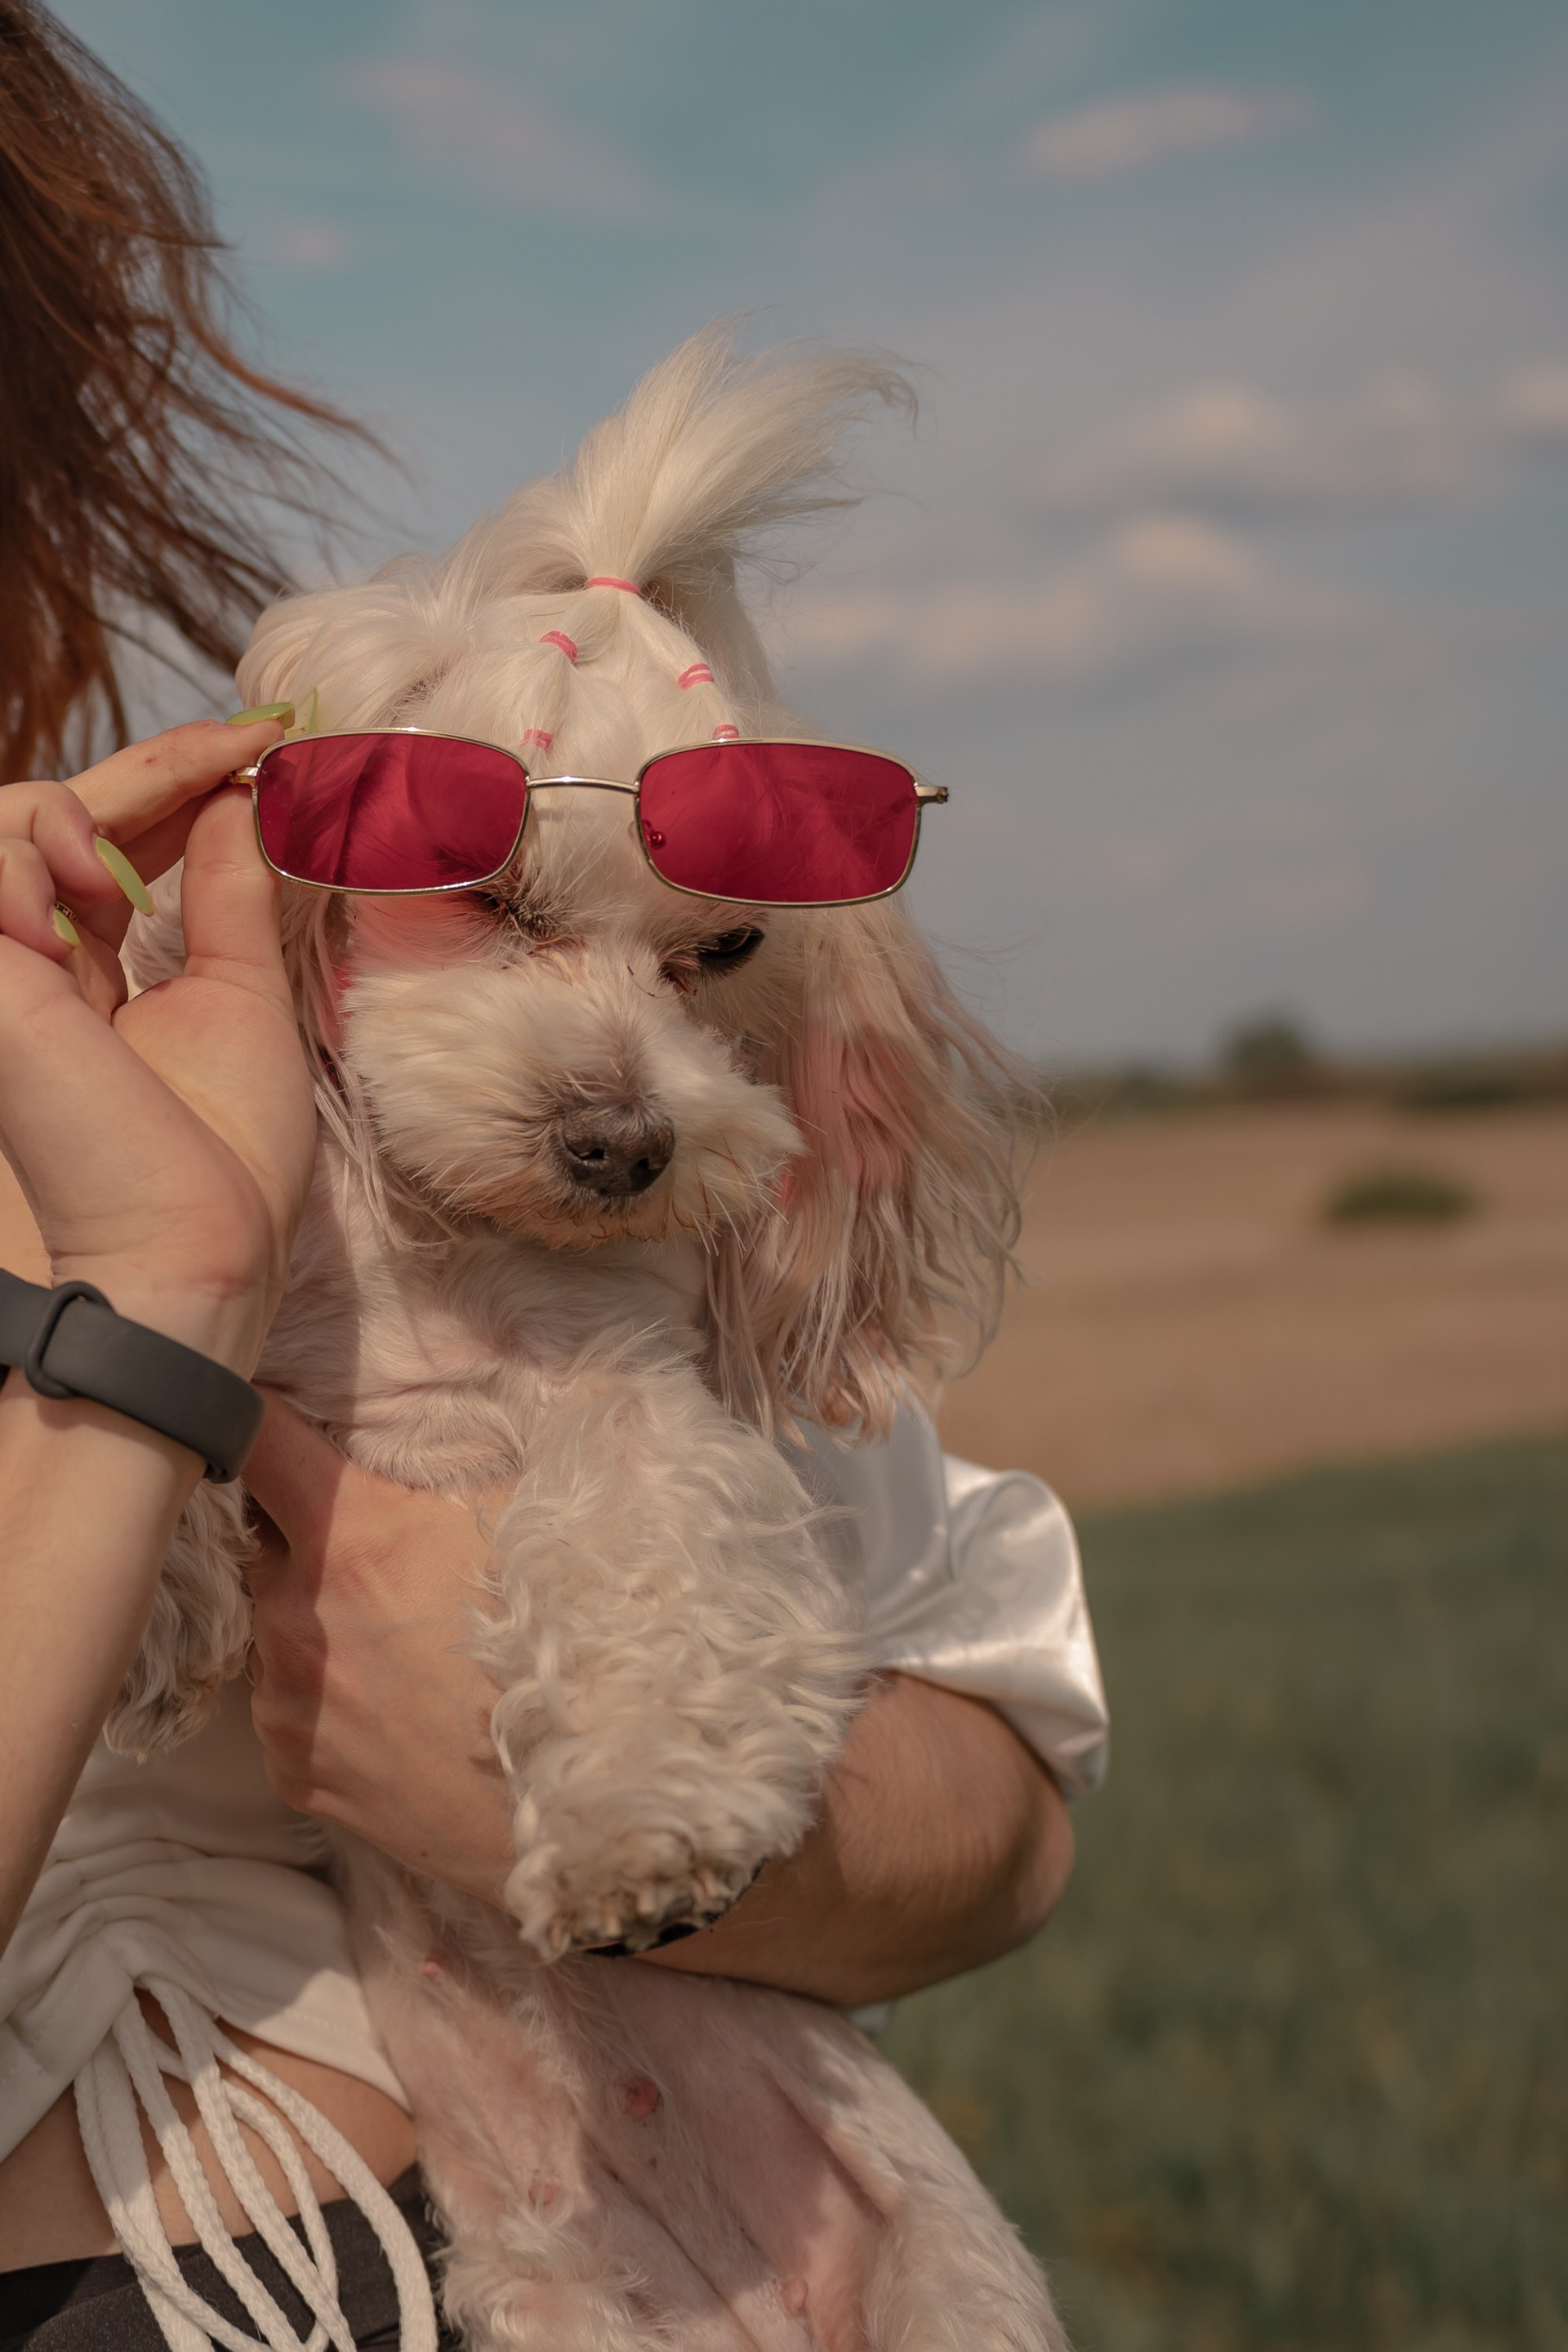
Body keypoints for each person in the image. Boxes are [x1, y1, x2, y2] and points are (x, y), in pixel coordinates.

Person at [0, 6, 1107, 2345]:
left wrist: (645, 1814)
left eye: (705, 972)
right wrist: (133, 1356)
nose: (618, 1088)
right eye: (491, 913)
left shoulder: (206, 998)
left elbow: (999, 1788)